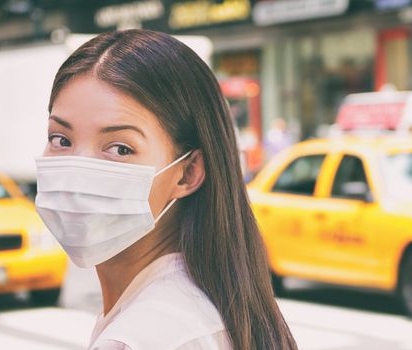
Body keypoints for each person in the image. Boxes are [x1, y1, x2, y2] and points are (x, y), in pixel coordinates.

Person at [35, 30, 297, 350]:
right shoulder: (200, 307)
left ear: (187, 173)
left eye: (119, 149)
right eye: (60, 140)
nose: (77, 173)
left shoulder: (145, 336)